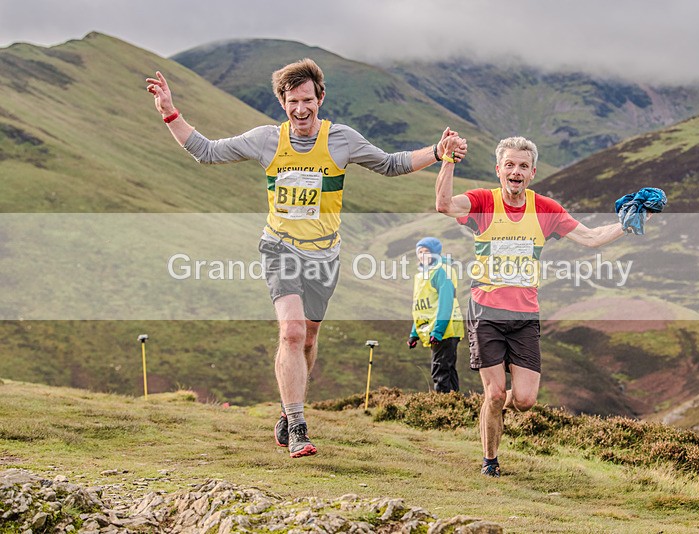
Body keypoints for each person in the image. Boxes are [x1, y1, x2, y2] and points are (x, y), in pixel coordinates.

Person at [146, 58, 468, 459]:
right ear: (282, 102)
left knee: (309, 337)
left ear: (321, 98)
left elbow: (389, 164)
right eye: (292, 101)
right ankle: (298, 426)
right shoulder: (266, 140)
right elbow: (207, 152)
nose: (300, 109)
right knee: (292, 331)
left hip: (324, 256)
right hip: (279, 248)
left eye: (307, 100)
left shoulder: (341, 140)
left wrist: (438, 151)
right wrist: (169, 113)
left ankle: (286, 409)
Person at [435, 135, 649, 477]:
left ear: (532, 172)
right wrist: (448, 160)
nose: (515, 172)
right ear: (498, 170)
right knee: (494, 393)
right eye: (509, 165)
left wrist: (628, 223)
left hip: (524, 316)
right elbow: (444, 204)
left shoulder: (545, 209)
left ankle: (493, 410)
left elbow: (591, 237)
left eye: (522, 166)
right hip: (486, 311)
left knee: (524, 400)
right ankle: (490, 460)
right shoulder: (482, 202)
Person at [407, 237, 464, 393]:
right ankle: (454, 406)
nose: (423, 255)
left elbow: (446, 303)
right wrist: (414, 333)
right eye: (420, 252)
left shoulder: (442, 271)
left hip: (446, 328)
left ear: (435, 253)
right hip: (435, 328)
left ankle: (442, 408)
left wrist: (438, 331)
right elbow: (421, 307)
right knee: (447, 369)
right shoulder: (422, 275)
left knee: (440, 371)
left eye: (427, 252)